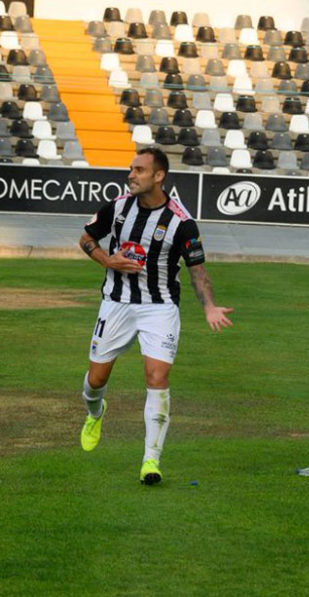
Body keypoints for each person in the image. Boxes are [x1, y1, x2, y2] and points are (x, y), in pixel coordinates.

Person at [78, 147, 233, 485]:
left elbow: (197, 271)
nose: (131, 175)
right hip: (116, 303)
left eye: (139, 170)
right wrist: (107, 260)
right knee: (96, 382)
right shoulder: (117, 208)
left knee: (157, 378)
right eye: (130, 169)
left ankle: (151, 459)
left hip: (159, 308)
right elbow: (86, 237)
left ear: (158, 176)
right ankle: (95, 413)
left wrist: (209, 306)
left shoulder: (181, 222)